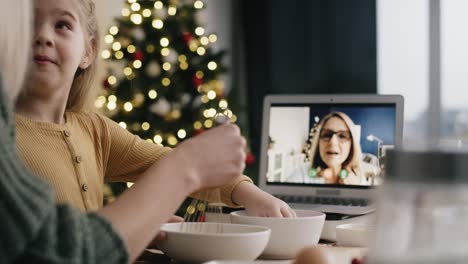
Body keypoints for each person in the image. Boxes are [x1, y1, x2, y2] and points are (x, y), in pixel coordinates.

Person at [0, 1, 283, 263]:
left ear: (88, 51)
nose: (42, 37)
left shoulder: (96, 130)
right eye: (27, 25)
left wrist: (247, 192)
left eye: (61, 25)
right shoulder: (6, 140)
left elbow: (165, 162)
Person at [309, 111, 366, 185]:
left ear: (352, 145)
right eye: (326, 135)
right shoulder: (300, 175)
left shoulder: (360, 180)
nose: (333, 142)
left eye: (342, 136)